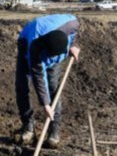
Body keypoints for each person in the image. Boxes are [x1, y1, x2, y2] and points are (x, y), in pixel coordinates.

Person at [15, 13, 80, 147]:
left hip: (54, 45)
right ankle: (28, 128)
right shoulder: (33, 47)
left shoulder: (72, 25)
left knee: (53, 89)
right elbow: (38, 76)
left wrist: (73, 45)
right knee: (22, 87)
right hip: (26, 44)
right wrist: (45, 104)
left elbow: (73, 36)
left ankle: (54, 133)